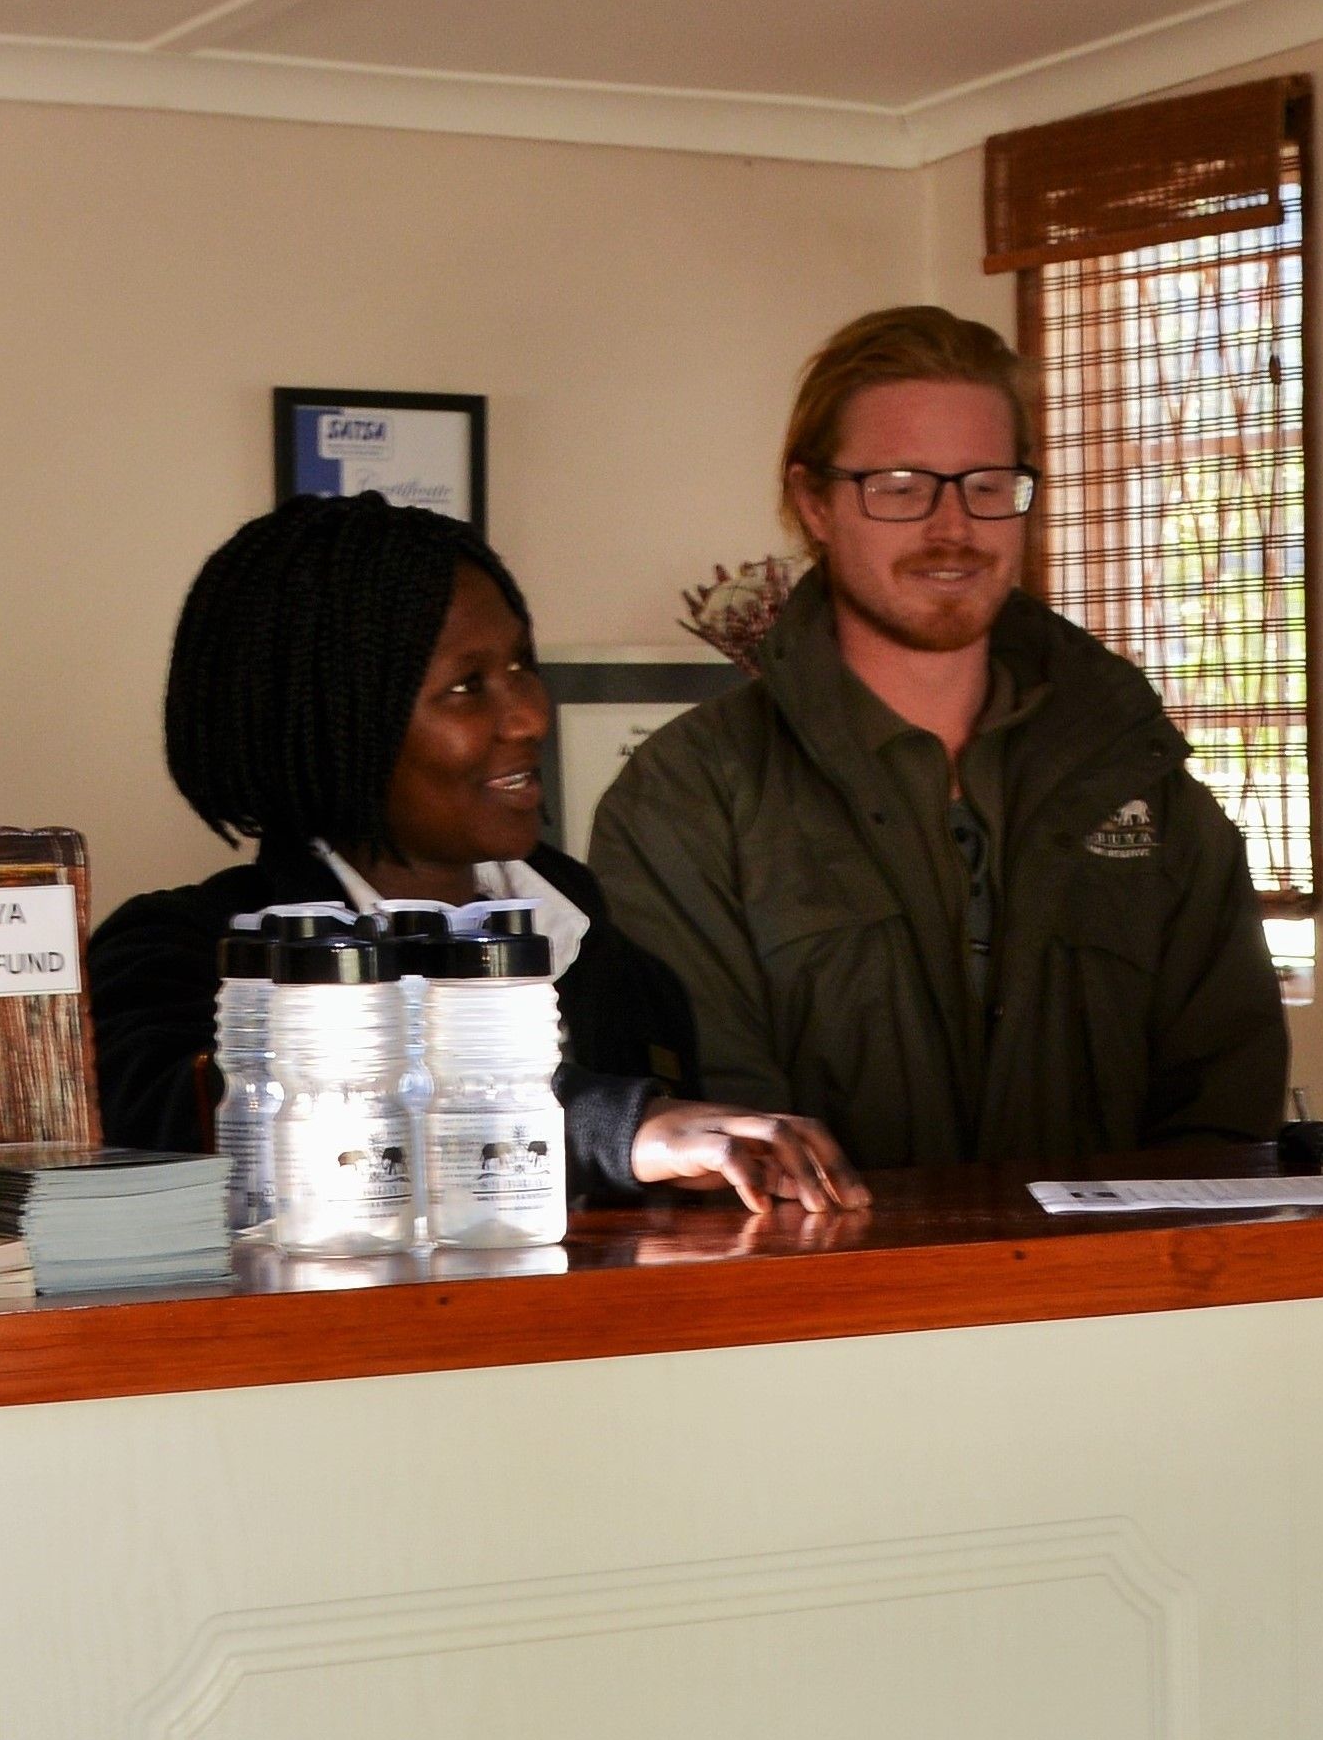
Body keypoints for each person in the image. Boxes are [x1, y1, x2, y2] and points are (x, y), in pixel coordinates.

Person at [586, 303, 1290, 1174]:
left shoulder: (1138, 781)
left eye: (987, 485)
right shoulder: (692, 797)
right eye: (900, 486)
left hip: (1121, 1267)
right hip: (834, 1266)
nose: (952, 527)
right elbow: (715, 1141)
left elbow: (1225, 1118)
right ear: (813, 502)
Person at [86, 497, 859, 1221]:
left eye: (521, 666)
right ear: (334, 722)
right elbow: (239, 1135)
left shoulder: (605, 948)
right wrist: (611, 1126)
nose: (528, 716)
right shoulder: (184, 955)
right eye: (466, 687)